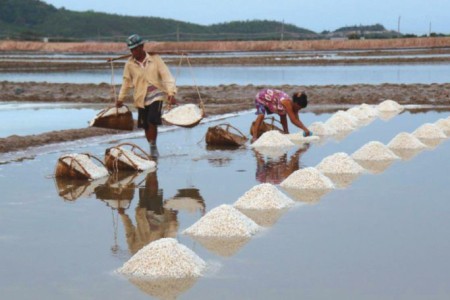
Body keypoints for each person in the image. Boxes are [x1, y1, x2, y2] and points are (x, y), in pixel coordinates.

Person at [116, 34, 177, 158]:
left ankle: (153, 146)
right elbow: (126, 82)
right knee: (145, 125)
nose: (134, 52)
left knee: (152, 120)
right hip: (141, 97)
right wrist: (120, 98)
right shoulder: (129, 64)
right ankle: (151, 145)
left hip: (157, 94)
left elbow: (166, 76)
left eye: (136, 49)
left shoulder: (155, 59)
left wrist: (171, 93)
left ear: (142, 47)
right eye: (131, 50)